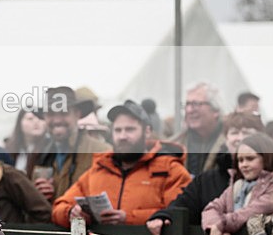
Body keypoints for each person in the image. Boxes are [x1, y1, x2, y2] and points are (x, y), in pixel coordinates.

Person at [52, 100, 190, 227]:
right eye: (118, 130)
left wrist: (129, 218)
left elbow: (181, 214)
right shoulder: (98, 170)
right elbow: (59, 207)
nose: (123, 136)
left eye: (130, 129)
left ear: (147, 132)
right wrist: (70, 213)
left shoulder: (171, 170)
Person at [147, 111, 264, 235]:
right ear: (226, 139)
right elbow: (183, 204)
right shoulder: (206, 181)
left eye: (247, 133)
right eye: (234, 132)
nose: (240, 138)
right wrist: (163, 216)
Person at [28, 86, 111, 202]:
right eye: (51, 113)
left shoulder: (102, 152)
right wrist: (37, 195)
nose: (57, 120)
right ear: (44, 117)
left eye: (63, 112)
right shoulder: (38, 155)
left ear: (77, 114)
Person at [201, 132, 273, 235]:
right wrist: (214, 227)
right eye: (240, 160)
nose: (244, 165)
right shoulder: (235, 187)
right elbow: (210, 209)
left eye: (250, 159)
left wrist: (221, 225)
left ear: (267, 158)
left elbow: (249, 213)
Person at [170, 82, 226, 177]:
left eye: (195, 104)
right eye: (187, 104)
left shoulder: (232, 144)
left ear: (215, 110)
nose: (189, 110)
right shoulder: (174, 144)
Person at [4, 107, 47, 172]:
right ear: (20, 123)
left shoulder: (50, 148)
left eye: (41, 118)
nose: (36, 121)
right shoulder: (8, 148)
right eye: (30, 118)